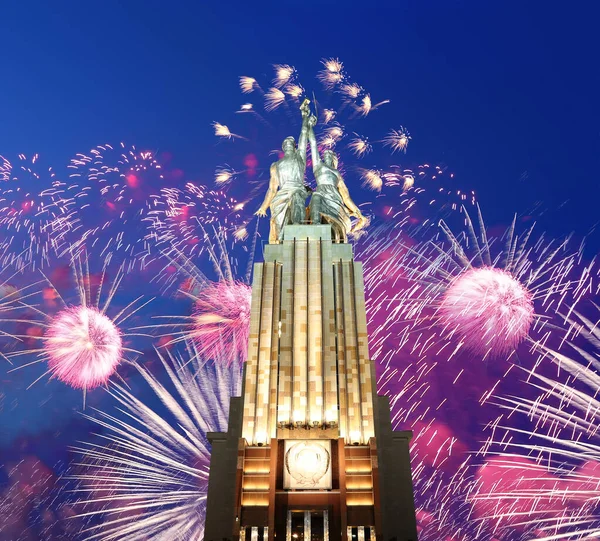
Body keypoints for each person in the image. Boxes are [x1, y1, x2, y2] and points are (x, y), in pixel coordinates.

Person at [255, 99, 312, 243]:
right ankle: (282, 239)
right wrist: (263, 207)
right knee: (278, 215)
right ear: (282, 147)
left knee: (298, 202)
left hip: (297, 189)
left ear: (294, 147)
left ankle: (298, 233)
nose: (288, 144)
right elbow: (272, 189)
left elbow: (304, 134)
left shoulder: (300, 157)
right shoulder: (275, 165)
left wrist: (304, 116)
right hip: (281, 193)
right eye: (286, 143)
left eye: (291, 143)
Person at [307, 115, 368, 242]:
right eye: (326, 154)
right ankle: (315, 226)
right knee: (316, 197)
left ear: (334, 160)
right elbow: (313, 145)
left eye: (331, 155)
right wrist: (309, 126)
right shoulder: (318, 166)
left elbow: (345, 196)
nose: (327, 155)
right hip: (321, 192)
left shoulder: (337, 174)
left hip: (335, 197)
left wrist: (357, 211)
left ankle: (333, 234)